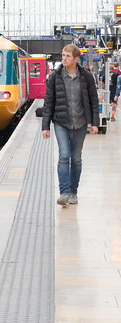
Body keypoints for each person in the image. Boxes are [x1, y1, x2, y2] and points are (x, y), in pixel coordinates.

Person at [41, 44, 99, 206]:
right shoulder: (55, 77)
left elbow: (93, 102)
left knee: (76, 159)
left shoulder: (86, 77)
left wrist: (95, 123)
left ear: (76, 59)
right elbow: (49, 102)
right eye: (63, 55)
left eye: (67, 56)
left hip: (80, 123)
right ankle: (64, 193)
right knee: (64, 156)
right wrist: (45, 126)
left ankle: (73, 192)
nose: (64, 59)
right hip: (61, 122)